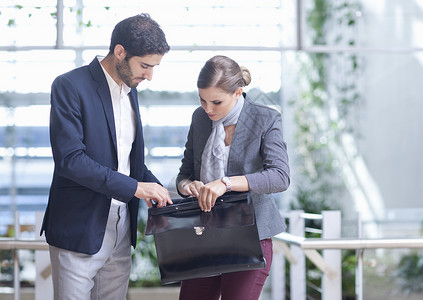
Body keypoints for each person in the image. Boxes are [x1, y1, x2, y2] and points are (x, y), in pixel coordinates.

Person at [40, 13, 172, 300]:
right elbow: (71, 160)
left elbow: (128, 162)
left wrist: (162, 190)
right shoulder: (69, 86)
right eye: (145, 66)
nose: (149, 75)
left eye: (154, 67)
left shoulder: (130, 90)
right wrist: (136, 188)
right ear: (120, 52)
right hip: (80, 226)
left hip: (122, 226)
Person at [176, 55, 290, 300]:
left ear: (238, 93)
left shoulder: (266, 119)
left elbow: (279, 176)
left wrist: (225, 183)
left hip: (249, 237)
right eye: (202, 100)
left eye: (216, 102)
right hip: (204, 236)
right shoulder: (200, 118)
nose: (208, 109)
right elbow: (183, 175)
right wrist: (189, 186)